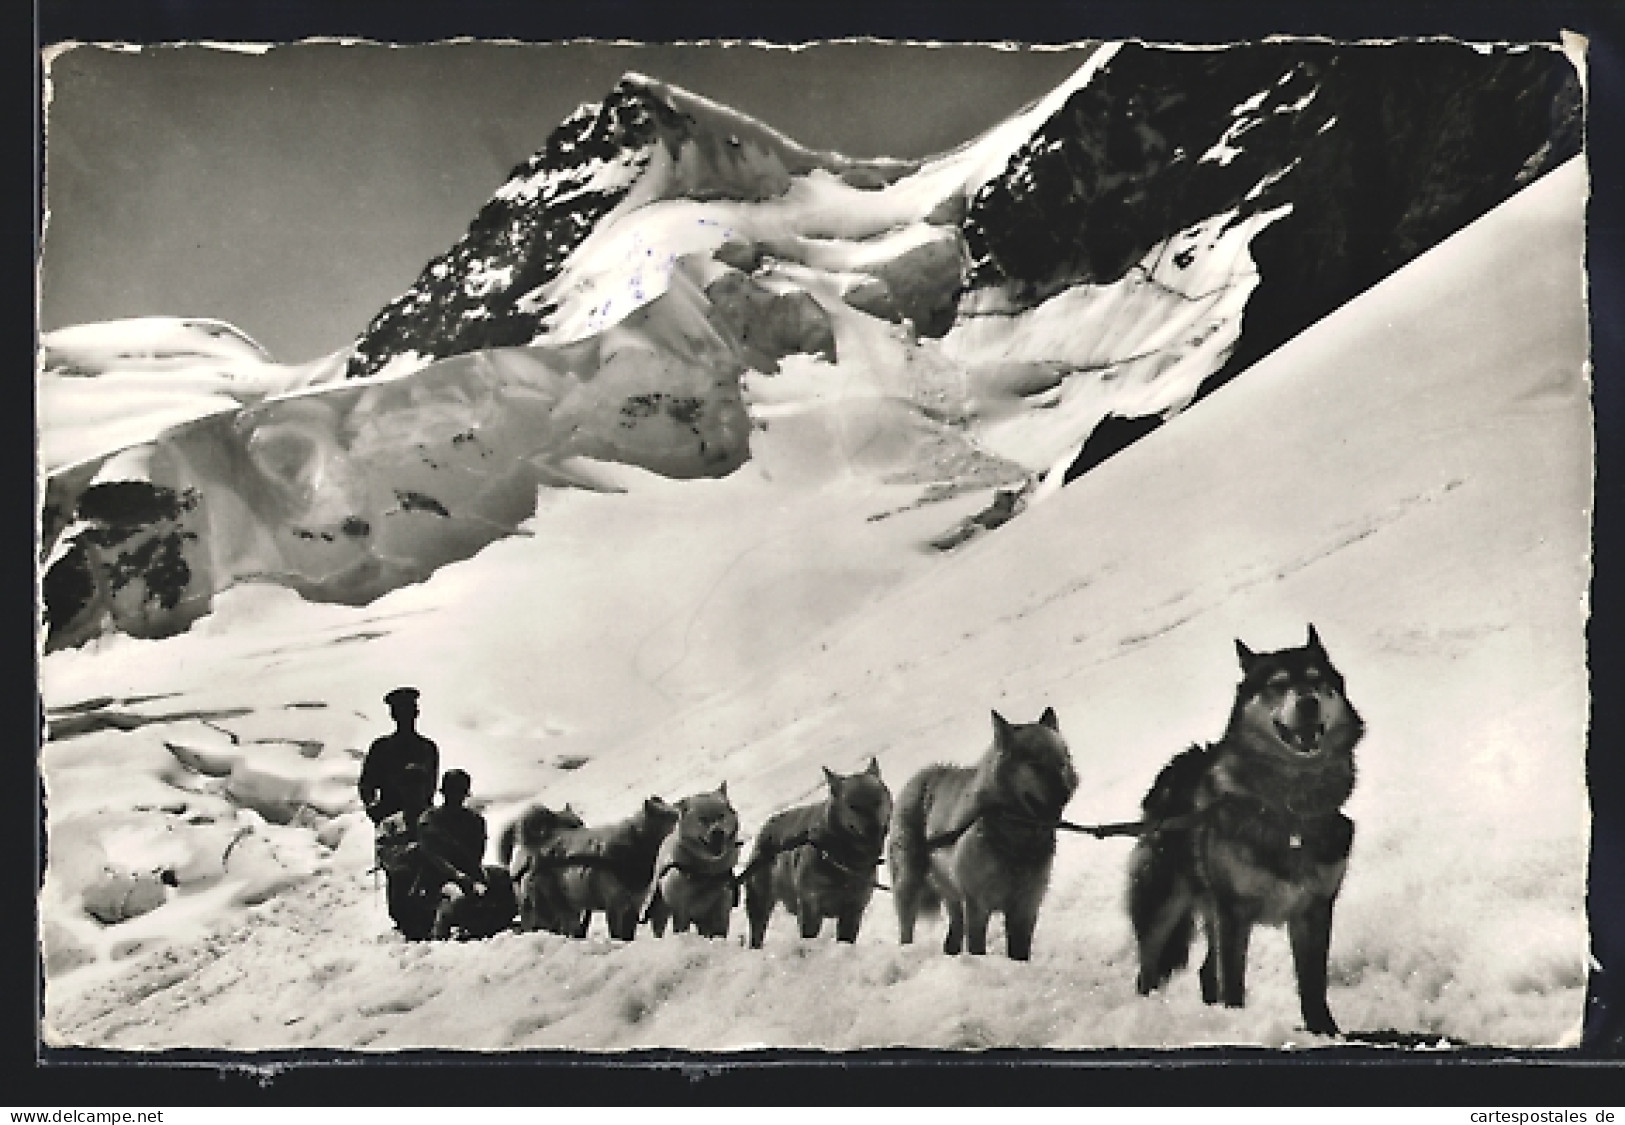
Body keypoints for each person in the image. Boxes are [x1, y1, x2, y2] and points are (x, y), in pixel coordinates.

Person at [418, 770, 517, 940]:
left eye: (460, 792)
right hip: (436, 877)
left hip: (468, 873)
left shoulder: (475, 820)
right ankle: (441, 928)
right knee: (456, 898)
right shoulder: (430, 819)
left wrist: (477, 875)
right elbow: (433, 856)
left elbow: (476, 853)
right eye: (453, 791)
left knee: (505, 880)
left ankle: (492, 924)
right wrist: (458, 876)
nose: (456, 796)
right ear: (444, 793)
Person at [358, 687, 440, 829]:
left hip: (420, 821)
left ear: (416, 713)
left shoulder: (427, 748)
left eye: (409, 710)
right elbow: (366, 784)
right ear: (393, 715)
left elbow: (430, 788)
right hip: (389, 817)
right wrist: (374, 811)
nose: (405, 716)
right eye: (400, 711)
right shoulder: (381, 748)